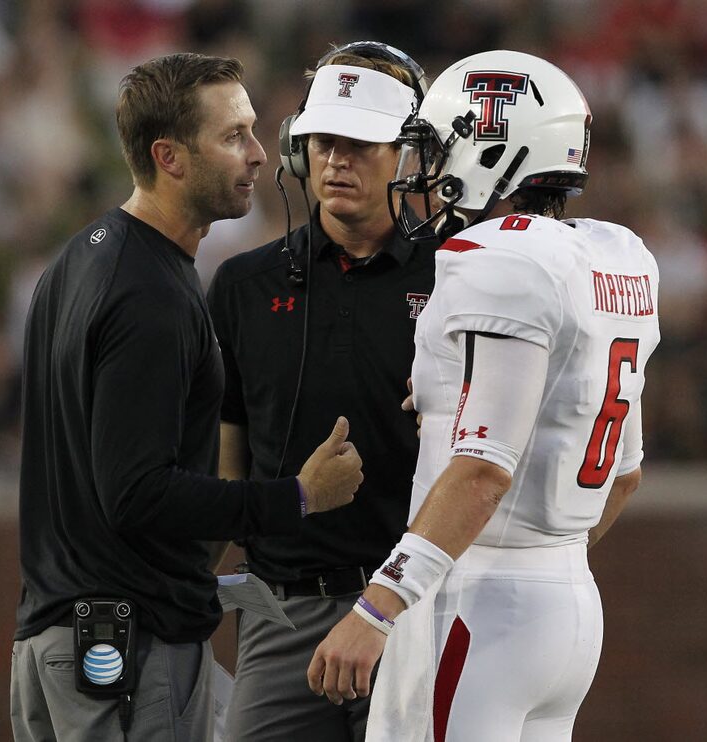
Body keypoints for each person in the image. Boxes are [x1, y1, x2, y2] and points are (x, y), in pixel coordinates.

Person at [307, 49, 661, 741]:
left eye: (437, 150)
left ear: (491, 151)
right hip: (567, 602)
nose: (425, 174)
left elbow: (481, 472)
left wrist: (378, 608)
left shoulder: (499, 258)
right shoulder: (614, 255)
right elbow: (625, 475)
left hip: (477, 602)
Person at [9, 52, 364, 742]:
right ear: (168, 156)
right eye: (232, 136)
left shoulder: (81, 258)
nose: (260, 155)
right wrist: (296, 496)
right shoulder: (149, 295)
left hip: (59, 640)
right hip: (124, 649)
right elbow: (136, 491)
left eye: (254, 130)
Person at [207, 42, 438, 741]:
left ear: (407, 154)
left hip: (415, 603)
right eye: (323, 141)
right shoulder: (244, 286)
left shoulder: (460, 277)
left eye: (360, 143)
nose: (337, 159)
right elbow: (227, 462)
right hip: (284, 612)